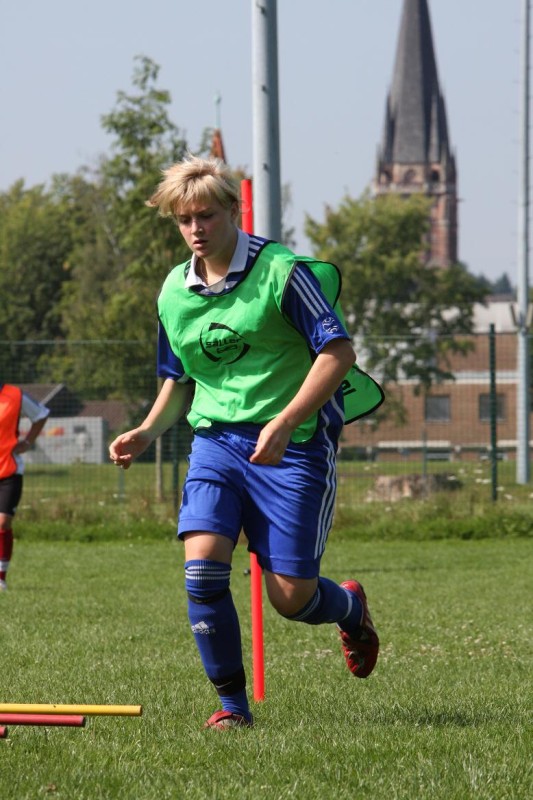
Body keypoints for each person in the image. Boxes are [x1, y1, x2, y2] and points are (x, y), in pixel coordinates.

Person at [109, 155, 380, 729]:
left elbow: (338, 353)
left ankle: (350, 608)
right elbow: (179, 379)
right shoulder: (174, 292)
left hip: (295, 443)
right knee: (202, 571)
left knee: (290, 598)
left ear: (233, 210)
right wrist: (146, 430)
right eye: (184, 220)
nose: (196, 229)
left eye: (206, 215)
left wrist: (284, 421)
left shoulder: (282, 271)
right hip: (216, 443)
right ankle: (233, 708)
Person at [0, 383, 50, 591]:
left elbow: (41, 414)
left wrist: (27, 442)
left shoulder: (14, 395)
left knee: (3, 522)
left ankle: (1, 578)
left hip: (9, 470)